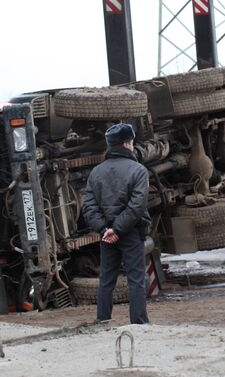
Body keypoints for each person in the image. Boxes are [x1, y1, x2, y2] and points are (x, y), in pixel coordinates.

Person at [83, 123, 151, 324]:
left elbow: (89, 207)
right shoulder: (138, 170)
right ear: (127, 144)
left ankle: (103, 320)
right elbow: (137, 206)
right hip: (130, 232)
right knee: (136, 280)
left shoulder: (96, 172)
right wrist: (118, 229)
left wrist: (106, 229)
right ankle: (139, 323)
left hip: (106, 235)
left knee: (106, 281)